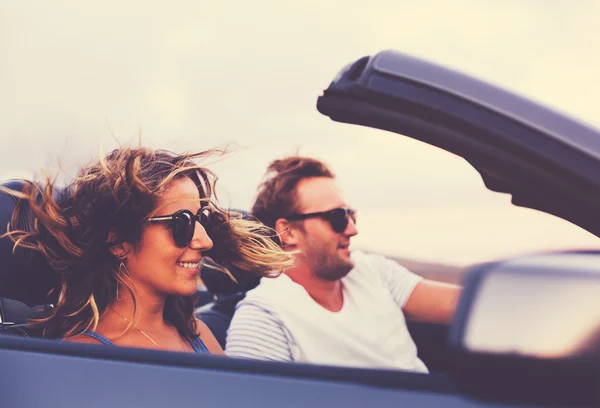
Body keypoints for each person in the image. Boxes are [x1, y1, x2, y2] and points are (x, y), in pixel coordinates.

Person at [1, 147, 292, 354]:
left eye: (200, 220)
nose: (205, 241)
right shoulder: (86, 357)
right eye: (182, 223)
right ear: (119, 242)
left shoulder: (196, 333)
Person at [225, 156, 461, 371]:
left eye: (351, 215)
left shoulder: (372, 271)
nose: (352, 229)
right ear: (287, 232)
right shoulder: (264, 320)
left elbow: (462, 305)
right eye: (336, 218)